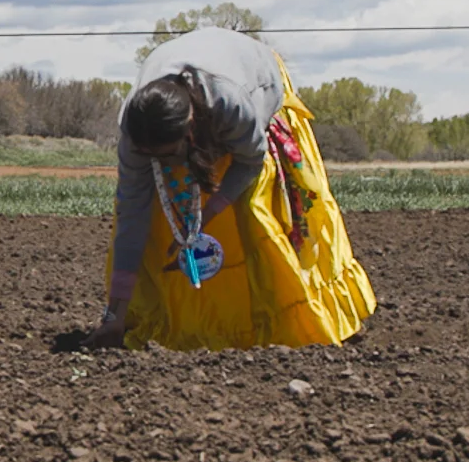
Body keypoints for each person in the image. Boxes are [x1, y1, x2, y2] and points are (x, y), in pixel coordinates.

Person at [85, 27, 376, 351]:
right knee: (155, 222)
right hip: (196, 111)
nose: (163, 164)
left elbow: (250, 161)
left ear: (190, 133)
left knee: (256, 216)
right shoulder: (134, 131)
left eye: (167, 156)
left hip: (254, 81)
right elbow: (132, 217)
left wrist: (210, 211)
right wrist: (114, 316)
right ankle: (171, 322)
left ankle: (302, 320)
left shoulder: (233, 104)